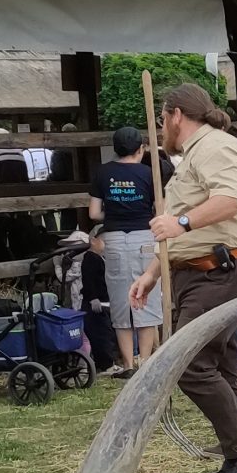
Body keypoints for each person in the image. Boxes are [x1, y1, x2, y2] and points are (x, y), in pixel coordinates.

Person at [127, 83, 237, 473]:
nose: (159, 129)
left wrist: (182, 224)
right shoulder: (195, 154)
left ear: (175, 115)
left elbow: (233, 198)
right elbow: (180, 227)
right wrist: (154, 271)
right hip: (206, 268)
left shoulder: (213, 148)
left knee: (187, 362)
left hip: (222, 269)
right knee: (222, 363)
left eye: (160, 120)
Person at [89, 126, 162, 376]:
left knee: (121, 300)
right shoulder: (148, 173)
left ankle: (128, 365)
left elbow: (94, 213)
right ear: (140, 148)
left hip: (115, 240)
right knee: (147, 297)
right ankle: (146, 362)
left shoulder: (103, 172)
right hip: (145, 237)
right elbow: (158, 209)